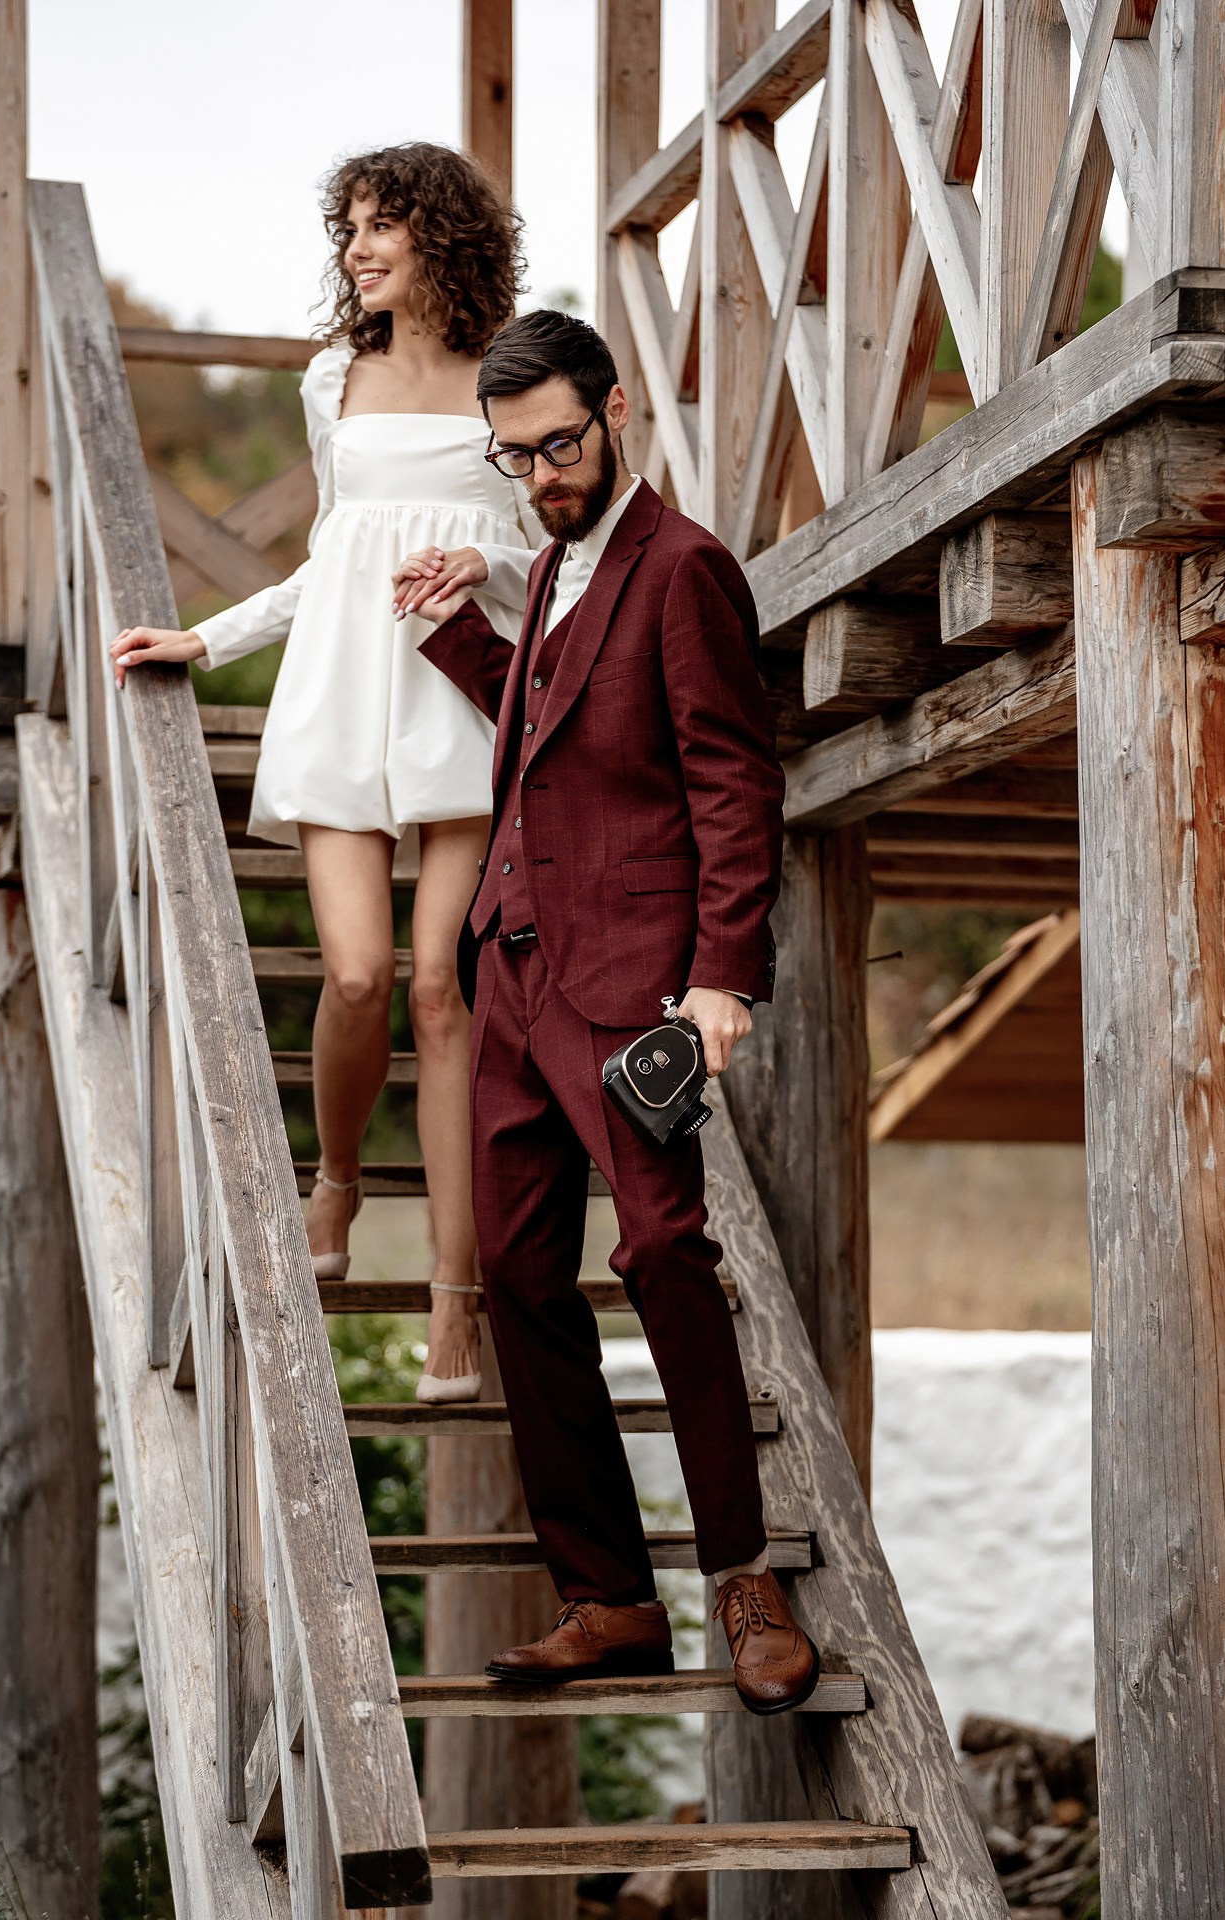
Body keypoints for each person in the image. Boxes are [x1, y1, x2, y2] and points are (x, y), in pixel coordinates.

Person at [392, 309, 819, 1713]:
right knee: (520, 1279)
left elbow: (731, 782)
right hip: (510, 979)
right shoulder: (558, 569)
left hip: (628, 985)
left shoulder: (682, 567)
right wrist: (458, 636)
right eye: (514, 457)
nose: (540, 477)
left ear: (616, 411)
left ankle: (743, 1578)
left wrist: (722, 976)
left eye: (559, 445)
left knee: (663, 1255)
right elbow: (550, 743)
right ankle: (609, 1598)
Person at [110, 143, 543, 1405]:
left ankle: (455, 1304)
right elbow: (334, 558)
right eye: (347, 228)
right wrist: (206, 640)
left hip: (465, 698)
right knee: (355, 975)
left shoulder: (512, 380)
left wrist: (485, 566)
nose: (355, 249)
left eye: (378, 226)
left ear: (439, 238)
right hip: (343, 698)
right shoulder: (331, 379)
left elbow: (553, 554)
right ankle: (337, 1181)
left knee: (438, 990)